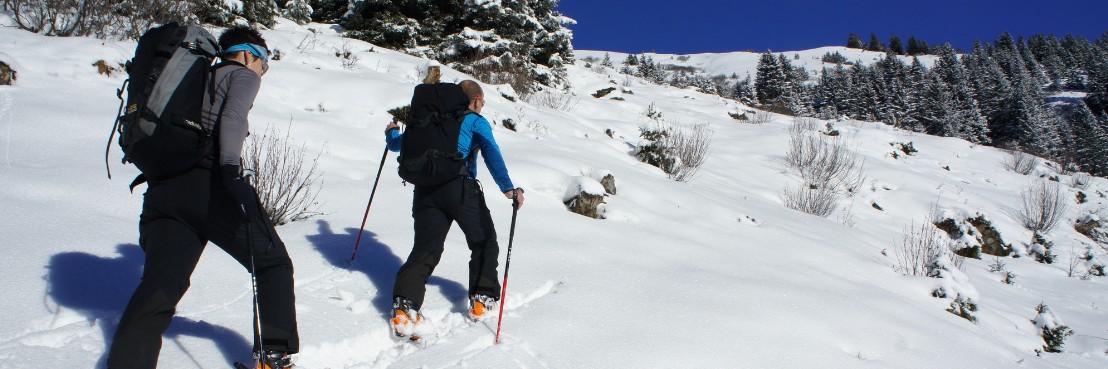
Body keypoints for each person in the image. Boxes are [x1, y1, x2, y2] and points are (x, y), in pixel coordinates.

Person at [107, 26, 298, 369]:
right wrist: (230, 171)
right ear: (248, 54)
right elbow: (233, 117)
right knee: (273, 263)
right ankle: (272, 358)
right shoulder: (241, 74)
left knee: (161, 284)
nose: (263, 70)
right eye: (264, 62)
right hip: (207, 185)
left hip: (163, 188)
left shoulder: (197, 78)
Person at [384, 80, 525, 338]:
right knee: (484, 241)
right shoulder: (474, 120)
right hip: (459, 189)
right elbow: (490, 150)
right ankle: (482, 298)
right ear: (476, 99)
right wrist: (508, 188)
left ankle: (404, 306)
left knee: (425, 248)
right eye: (482, 101)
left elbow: (396, 145)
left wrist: (391, 132)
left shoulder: (429, 121)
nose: (482, 106)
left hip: (425, 191)